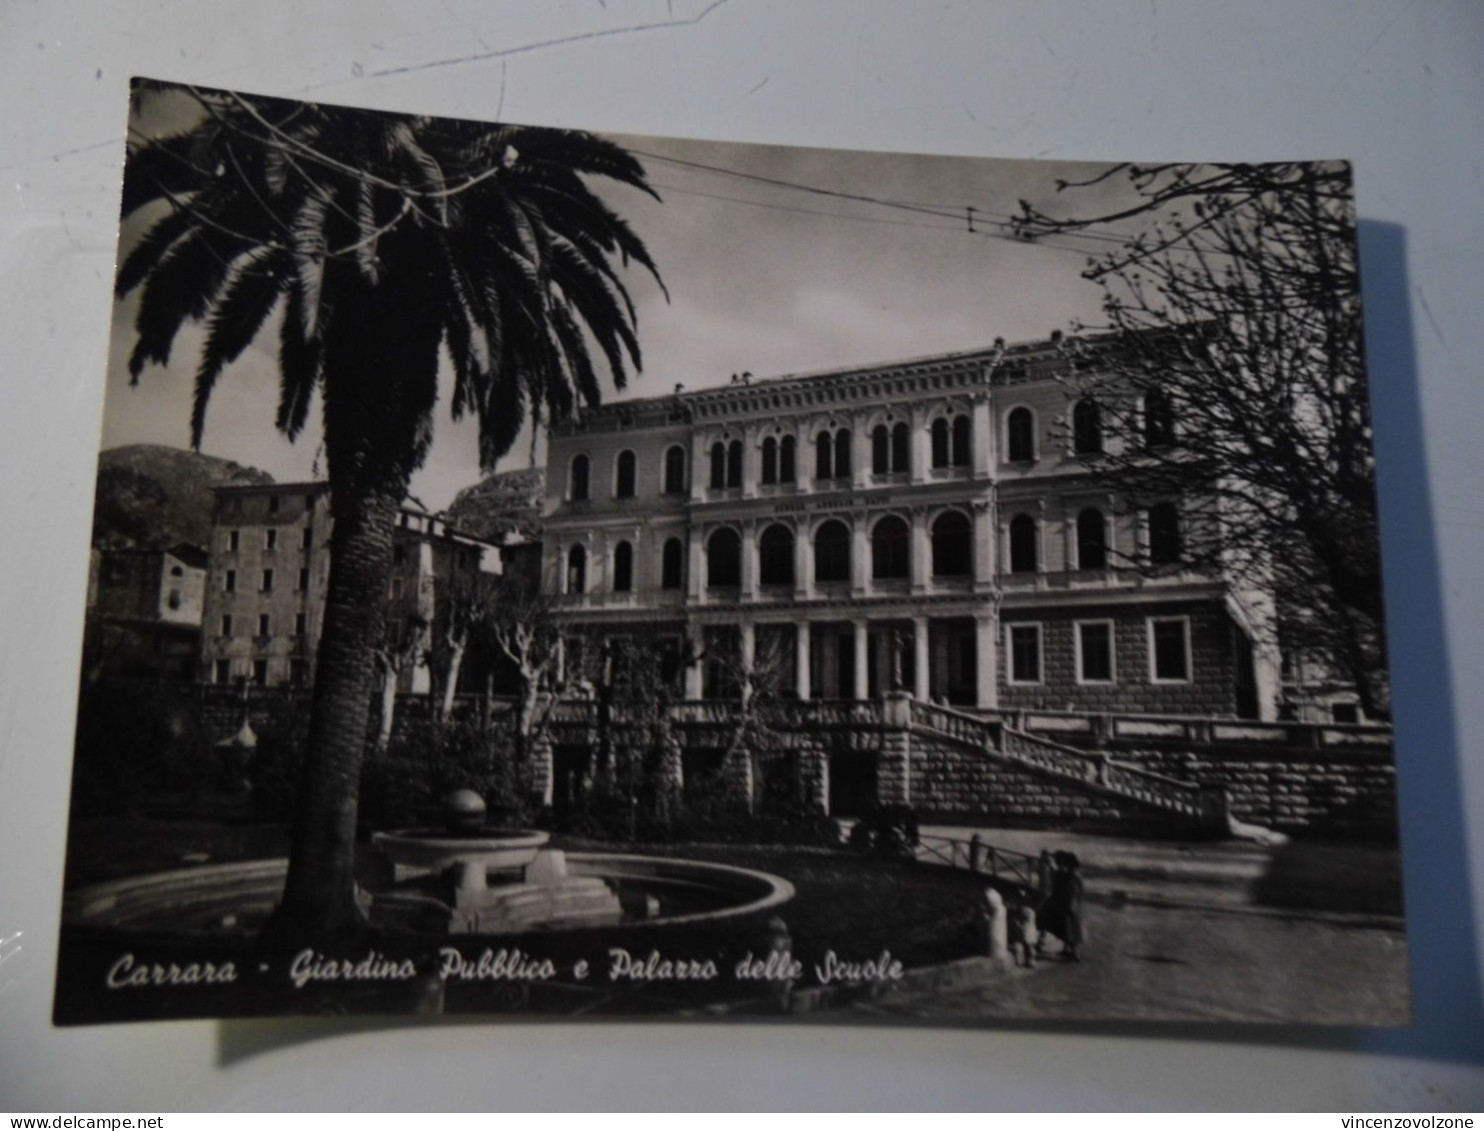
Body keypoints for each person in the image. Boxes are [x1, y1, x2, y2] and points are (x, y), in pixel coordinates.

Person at [1035, 850, 1086, 961]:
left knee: (1070, 928)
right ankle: (1068, 951)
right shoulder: (1072, 875)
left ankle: (1074, 953)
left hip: (1069, 905)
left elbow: (1068, 889)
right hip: (1070, 905)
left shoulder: (1070, 877)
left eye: (1061, 864)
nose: (1060, 866)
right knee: (1068, 928)